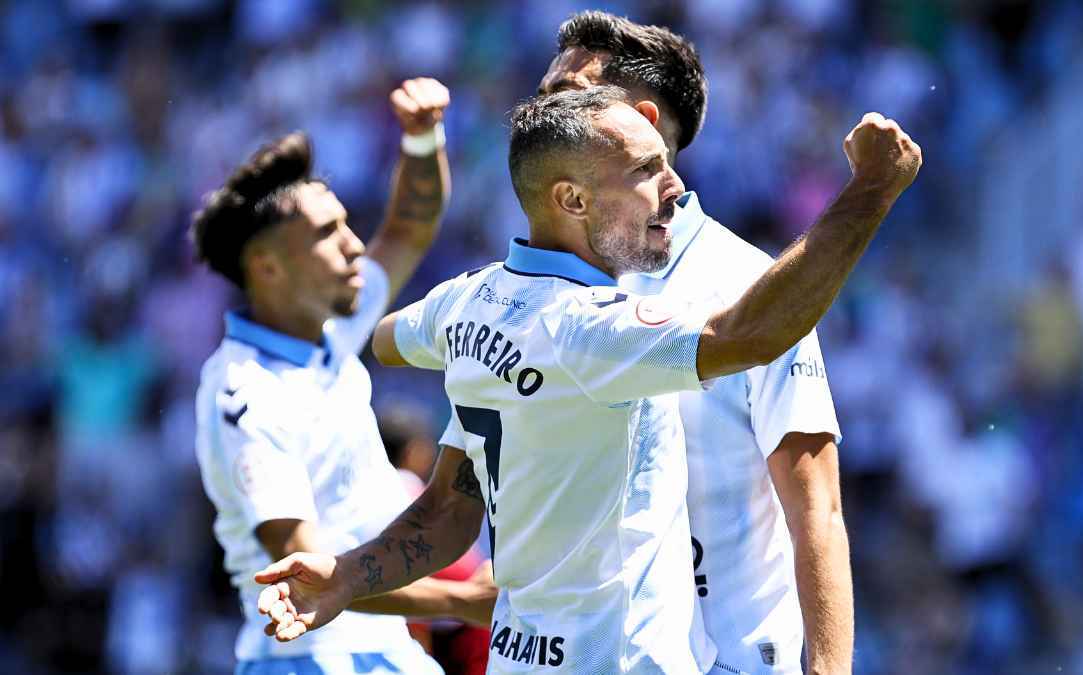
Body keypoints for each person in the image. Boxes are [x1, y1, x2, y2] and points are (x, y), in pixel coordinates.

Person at [254, 87, 920, 674]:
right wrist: (870, 192)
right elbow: (752, 333)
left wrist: (346, 576)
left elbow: (393, 354)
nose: (675, 189)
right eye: (645, 170)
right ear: (570, 198)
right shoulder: (593, 328)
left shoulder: (464, 305)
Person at [527, 13, 853, 673]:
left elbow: (816, 507)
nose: (536, 116)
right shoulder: (544, 287)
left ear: (640, 121)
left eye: (562, 97)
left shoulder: (749, 286)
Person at [192, 78, 495, 675]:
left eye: (347, 224)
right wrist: (462, 601)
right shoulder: (247, 393)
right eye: (327, 235)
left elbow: (409, 224)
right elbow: (304, 569)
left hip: (380, 651)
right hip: (307, 658)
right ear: (268, 266)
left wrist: (420, 138)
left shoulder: (328, 336)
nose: (357, 246)